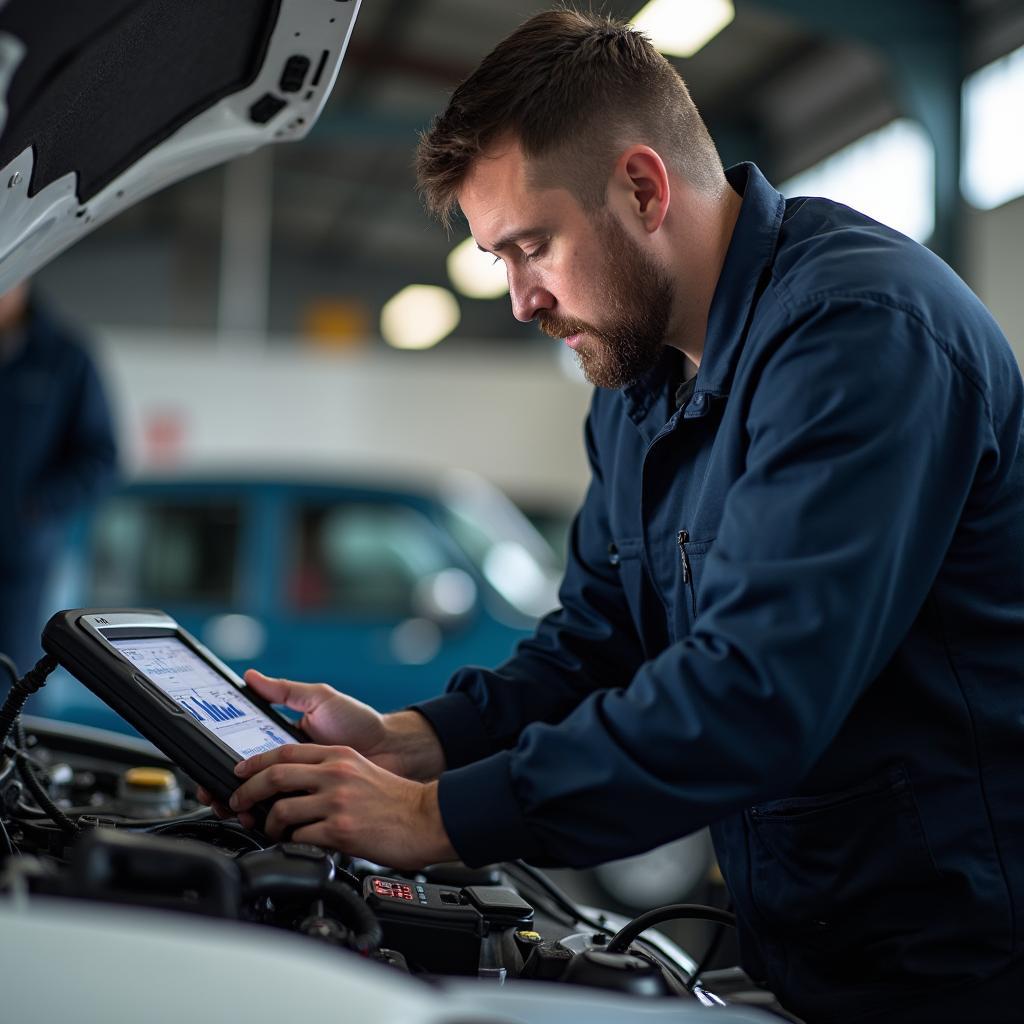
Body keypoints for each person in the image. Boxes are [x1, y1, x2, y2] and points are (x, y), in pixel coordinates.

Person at [205, 11, 1024, 1021]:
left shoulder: (859, 336)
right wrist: (420, 740)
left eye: (530, 246)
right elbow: (596, 643)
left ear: (642, 187)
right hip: (816, 953)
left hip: (969, 968)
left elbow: (755, 694)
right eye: (497, 258)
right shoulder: (639, 388)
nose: (517, 300)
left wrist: (436, 818)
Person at [0, 281, 118, 677]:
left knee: (9, 684)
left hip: (16, 567)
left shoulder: (65, 359)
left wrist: (35, 506)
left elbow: (101, 457)